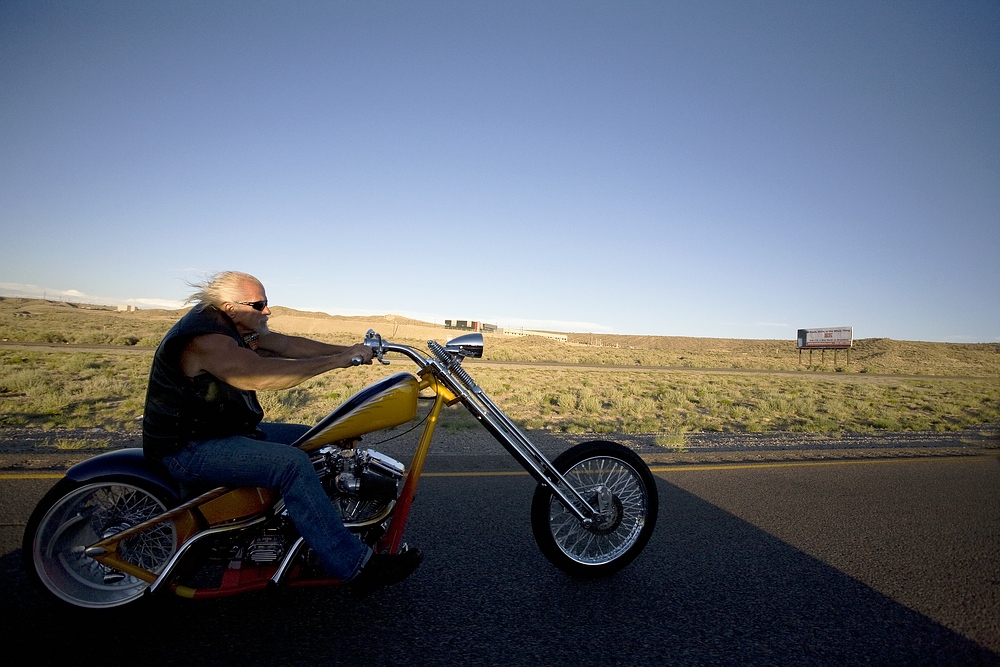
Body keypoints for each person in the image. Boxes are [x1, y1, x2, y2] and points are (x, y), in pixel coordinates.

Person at [142, 271, 421, 594]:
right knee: (292, 464)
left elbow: (287, 345)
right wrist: (337, 361)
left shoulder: (235, 326)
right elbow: (258, 376)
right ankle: (354, 566)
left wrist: (350, 350)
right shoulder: (206, 339)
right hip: (189, 448)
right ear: (230, 307)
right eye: (259, 305)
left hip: (227, 431)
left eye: (266, 303)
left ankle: (296, 532)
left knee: (318, 440)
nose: (267, 311)